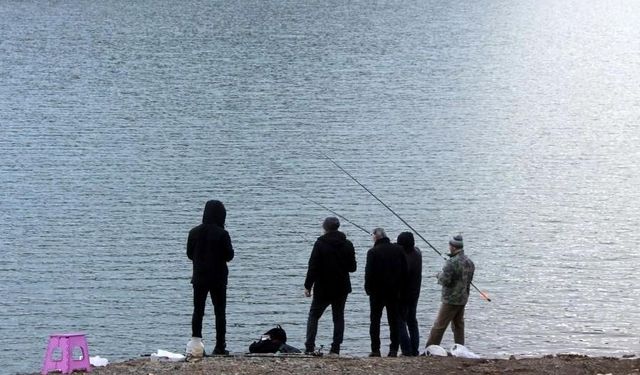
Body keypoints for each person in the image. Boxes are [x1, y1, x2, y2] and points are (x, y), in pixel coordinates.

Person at [304, 217, 357, 356]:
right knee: (338, 317)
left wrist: (307, 286)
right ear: (338, 227)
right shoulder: (348, 244)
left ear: (325, 228)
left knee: (314, 315)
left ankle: (309, 346)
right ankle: (335, 349)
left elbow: (313, 267)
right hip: (342, 287)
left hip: (323, 287)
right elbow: (352, 268)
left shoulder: (320, 244)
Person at [187, 200, 234, 356]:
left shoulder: (193, 232)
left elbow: (189, 254)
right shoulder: (222, 234)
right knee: (220, 312)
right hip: (218, 279)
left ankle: (195, 345)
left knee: (198, 311)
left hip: (199, 278)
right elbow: (230, 255)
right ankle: (220, 346)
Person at [425, 234, 475, 349]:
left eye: (450, 245)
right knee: (458, 325)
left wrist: (438, 275)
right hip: (463, 298)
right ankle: (460, 349)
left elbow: (445, 281)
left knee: (439, 326)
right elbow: (469, 280)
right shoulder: (469, 262)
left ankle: (430, 349)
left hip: (450, 300)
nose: (449, 247)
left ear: (453, 247)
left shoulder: (451, 263)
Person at [365, 228, 408, 357]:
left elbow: (369, 273)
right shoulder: (398, 250)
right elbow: (405, 271)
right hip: (394, 292)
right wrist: (402, 289)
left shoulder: (372, 252)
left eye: (372, 236)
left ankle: (375, 350)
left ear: (376, 237)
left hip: (377, 293)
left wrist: (368, 289)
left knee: (375, 321)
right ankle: (394, 349)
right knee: (393, 321)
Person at [397, 231, 422, 356]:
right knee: (412, 321)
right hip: (415, 293)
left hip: (402, 295)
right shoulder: (418, 253)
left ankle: (406, 350)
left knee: (399, 321)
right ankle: (415, 350)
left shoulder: (403, 259)